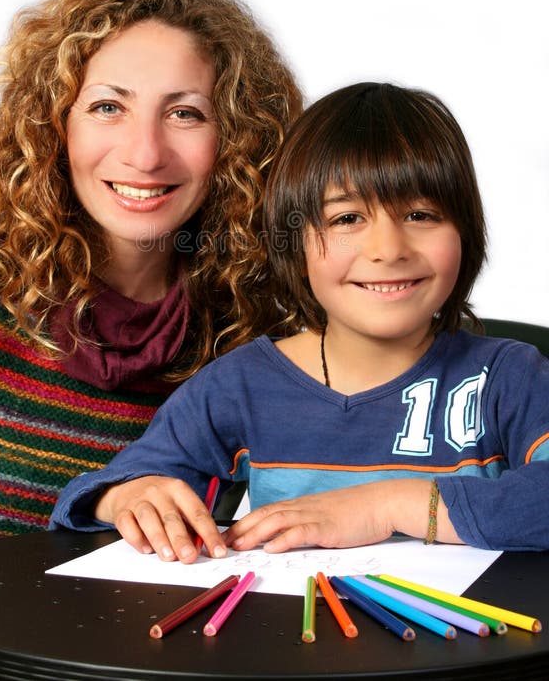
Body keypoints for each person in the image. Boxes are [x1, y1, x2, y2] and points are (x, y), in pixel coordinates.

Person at [50, 81, 549, 560]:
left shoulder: (509, 377)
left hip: (469, 640)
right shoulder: (239, 386)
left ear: (465, 230)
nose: (389, 250)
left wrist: (388, 505)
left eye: (421, 215)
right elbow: (116, 485)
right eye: (346, 218)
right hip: (288, 638)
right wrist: (127, 496)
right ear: (297, 243)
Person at [0, 0, 303, 547]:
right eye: (108, 107)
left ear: (237, 139)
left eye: (184, 113)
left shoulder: (265, 316)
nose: (144, 154)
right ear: (53, 123)